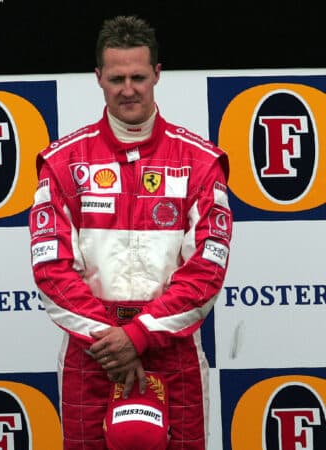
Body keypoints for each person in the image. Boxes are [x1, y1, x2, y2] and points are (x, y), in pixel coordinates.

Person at [29, 15, 232, 449]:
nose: (128, 89)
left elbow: (206, 271)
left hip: (171, 352)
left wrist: (138, 336)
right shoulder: (63, 163)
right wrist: (113, 343)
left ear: (157, 75)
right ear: (98, 77)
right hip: (93, 354)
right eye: (116, 77)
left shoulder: (201, 162)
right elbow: (50, 270)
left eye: (138, 76)